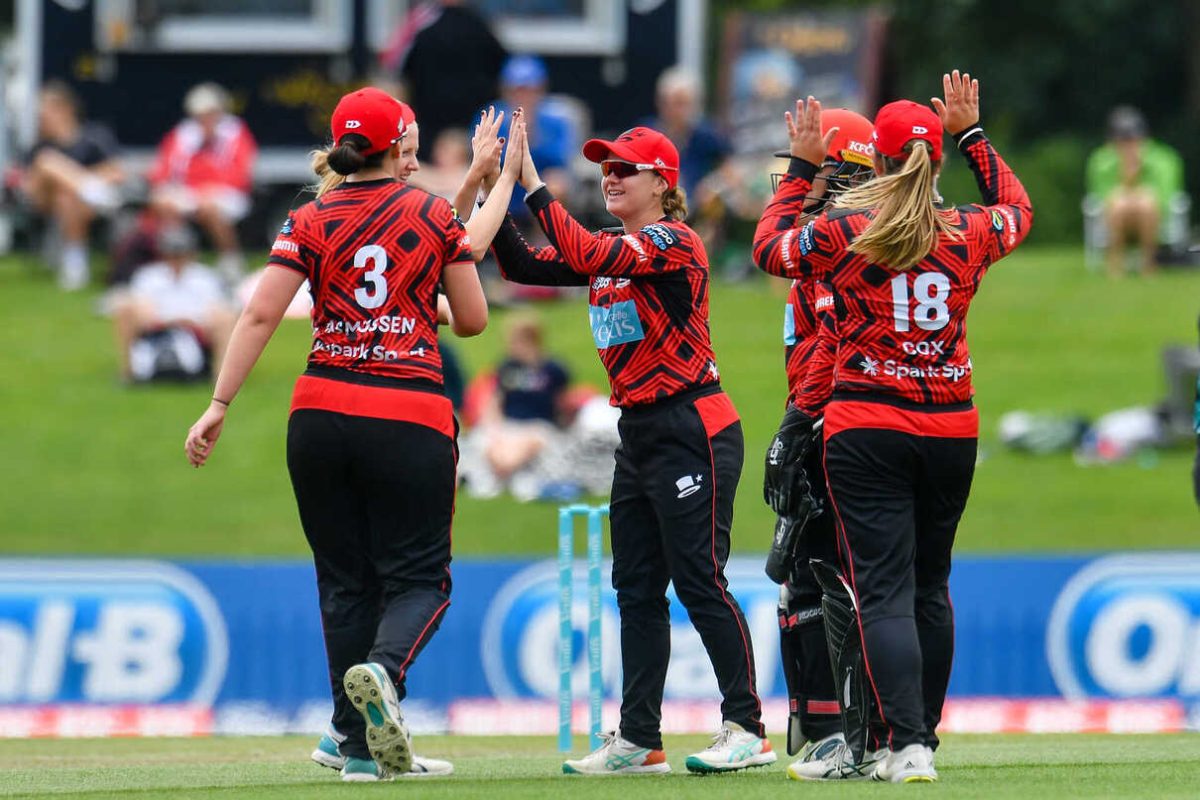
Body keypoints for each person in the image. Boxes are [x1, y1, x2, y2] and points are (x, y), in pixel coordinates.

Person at [185, 87, 525, 781]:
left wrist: (219, 403)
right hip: (405, 411)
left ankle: (353, 744)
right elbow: (470, 319)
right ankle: (384, 677)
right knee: (421, 580)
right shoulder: (429, 211)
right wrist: (502, 179)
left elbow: (257, 317)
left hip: (316, 415)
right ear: (398, 144)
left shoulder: (308, 216)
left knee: (344, 583)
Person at [754, 74, 1032, 782]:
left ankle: (897, 743)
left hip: (867, 425)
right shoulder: (967, 229)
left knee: (879, 588)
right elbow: (1017, 208)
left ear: (874, 162)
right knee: (930, 588)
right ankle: (920, 743)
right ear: (935, 161)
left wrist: (804, 169)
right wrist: (973, 134)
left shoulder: (851, 230)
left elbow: (769, 247)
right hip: (950, 427)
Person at [484, 125, 775, 775]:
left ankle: (747, 728)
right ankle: (640, 739)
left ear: (663, 183)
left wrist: (533, 185)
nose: (610, 176)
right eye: (605, 168)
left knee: (700, 579)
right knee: (637, 589)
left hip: (692, 424)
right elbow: (524, 264)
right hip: (640, 433)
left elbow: (581, 248)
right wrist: (491, 186)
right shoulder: (612, 250)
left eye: (626, 169)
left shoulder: (674, 240)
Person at [752, 109, 881, 781]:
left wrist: (801, 426)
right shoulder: (827, 241)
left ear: (843, 171)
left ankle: (851, 731)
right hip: (819, 417)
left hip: (838, 425)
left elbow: (834, 347)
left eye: (806, 165)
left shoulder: (841, 242)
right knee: (800, 575)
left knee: (828, 577)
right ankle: (825, 722)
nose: (792, 177)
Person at [19, 80, 123, 290]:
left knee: (66, 196)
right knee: (47, 160)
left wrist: (70, 182)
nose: (41, 118)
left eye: (45, 111)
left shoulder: (95, 136)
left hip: (78, 206)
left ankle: (75, 262)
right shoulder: (40, 146)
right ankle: (89, 189)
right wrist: (82, 181)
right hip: (43, 203)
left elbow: (116, 172)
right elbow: (29, 187)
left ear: (64, 109)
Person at [148, 83, 258, 280]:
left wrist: (212, 188)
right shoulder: (183, 134)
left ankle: (230, 261)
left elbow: (242, 174)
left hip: (227, 193)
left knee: (210, 208)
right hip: (189, 191)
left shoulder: (235, 132)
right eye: (201, 114)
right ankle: (177, 259)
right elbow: (165, 170)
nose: (206, 119)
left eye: (211, 113)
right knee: (164, 204)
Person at [385, 0, 507, 161]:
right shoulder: (482, 25)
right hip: (468, 132)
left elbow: (393, 67)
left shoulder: (421, 21)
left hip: (433, 132)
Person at [113, 225, 234, 383]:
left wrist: (190, 322)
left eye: (180, 254)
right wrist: (165, 321)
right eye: (172, 254)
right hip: (157, 328)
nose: (176, 259)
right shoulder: (148, 276)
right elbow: (142, 307)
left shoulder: (205, 277)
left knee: (226, 317)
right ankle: (129, 373)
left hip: (197, 329)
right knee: (125, 308)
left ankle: (221, 377)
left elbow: (215, 309)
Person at [1085, 106, 1185, 277]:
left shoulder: (1163, 159)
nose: (1128, 145)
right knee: (1118, 204)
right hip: (1115, 214)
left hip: (1153, 215)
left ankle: (1149, 262)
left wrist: (1139, 175)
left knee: (1146, 204)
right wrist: (1126, 175)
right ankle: (1115, 263)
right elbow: (1101, 194)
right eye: (1123, 139)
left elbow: (1166, 194)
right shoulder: (1101, 160)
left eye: (1132, 138)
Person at [492, 55, 577, 216]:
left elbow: (562, 159)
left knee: (557, 183)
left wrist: (533, 140)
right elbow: (480, 158)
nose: (523, 96)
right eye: (517, 90)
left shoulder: (556, 119)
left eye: (529, 90)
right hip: (503, 181)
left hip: (539, 180)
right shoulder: (493, 117)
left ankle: (547, 236)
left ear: (540, 90)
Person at [638, 66, 730, 201]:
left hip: (694, 208)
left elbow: (730, 166)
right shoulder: (644, 134)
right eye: (671, 103)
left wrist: (713, 183)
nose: (676, 110)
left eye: (683, 103)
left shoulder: (705, 135)